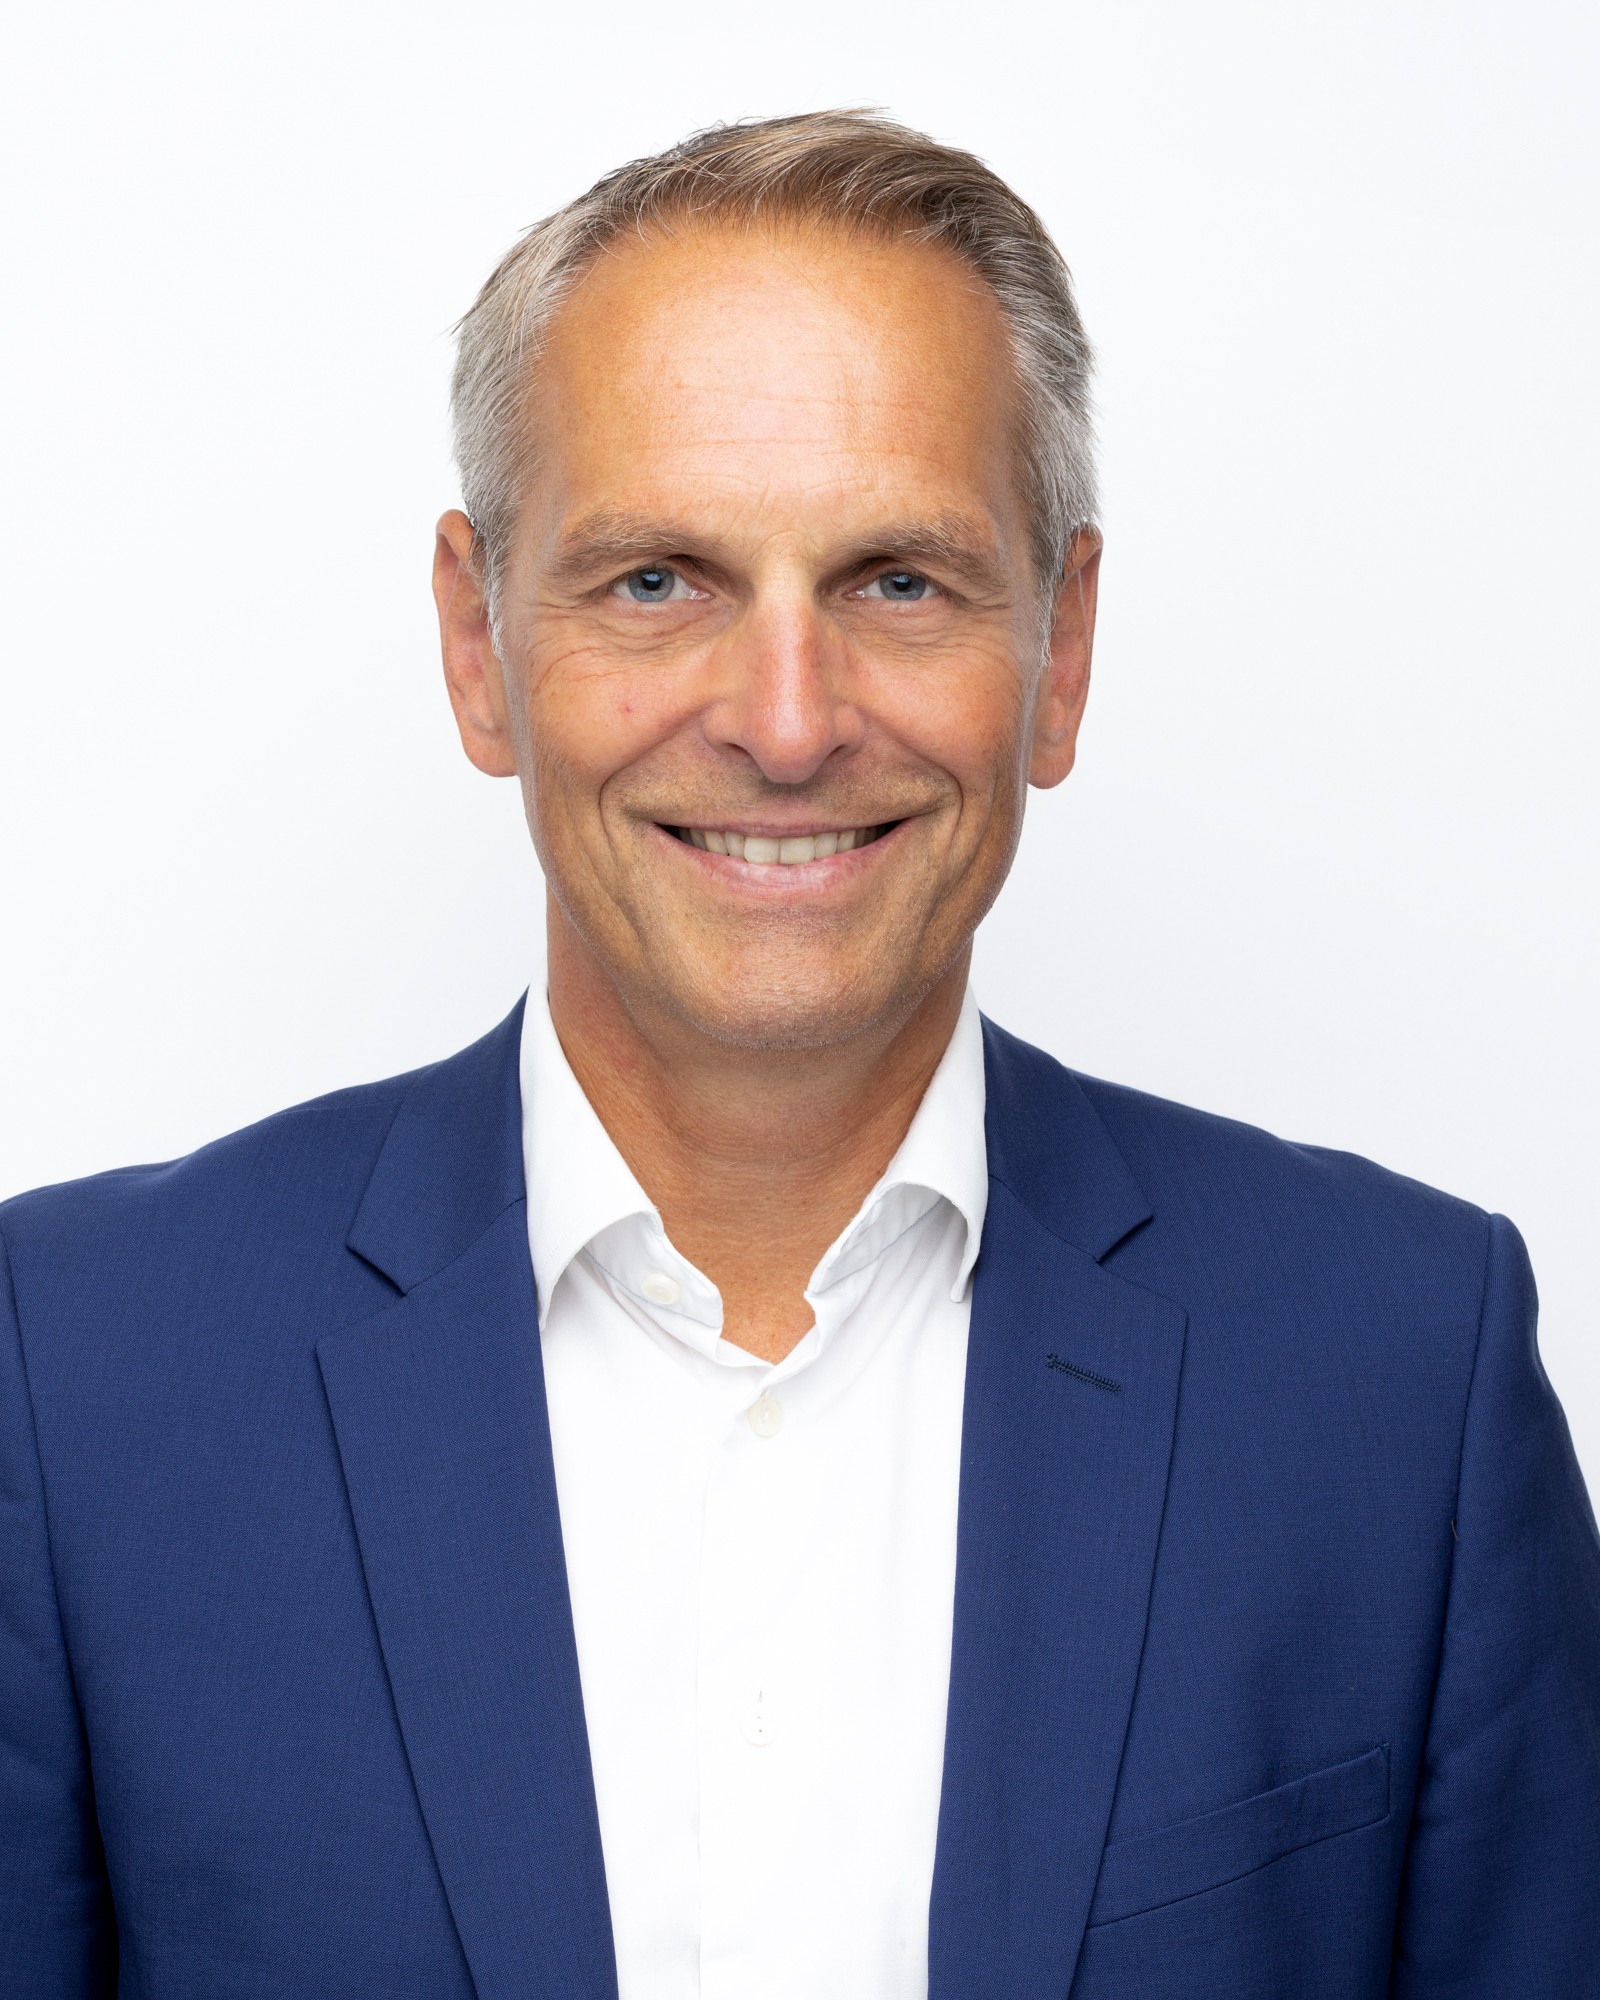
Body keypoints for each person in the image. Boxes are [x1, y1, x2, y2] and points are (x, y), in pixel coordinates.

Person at [2, 109, 1596, 2000]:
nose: (784, 723)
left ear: (1062, 650)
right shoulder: (73, 1377)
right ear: (478, 645)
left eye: (897, 581)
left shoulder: (1402, 1375)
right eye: (657, 580)